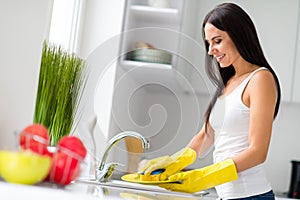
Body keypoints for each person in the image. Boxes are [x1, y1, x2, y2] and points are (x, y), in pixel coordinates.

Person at [139, 3, 281, 200]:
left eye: (217, 41)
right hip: (226, 195)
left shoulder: (260, 79)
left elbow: (258, 152)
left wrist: (206, 176)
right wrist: (175, 162)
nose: (210, 50)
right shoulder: (229, 83)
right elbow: (206, 135)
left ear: (239, 35)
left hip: (250, 195)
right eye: (208, 43)